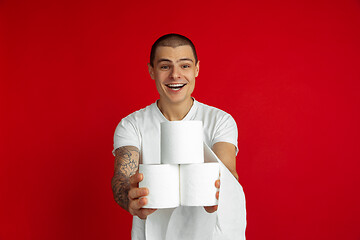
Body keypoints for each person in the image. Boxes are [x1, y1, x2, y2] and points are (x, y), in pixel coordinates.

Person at [111, 33, 243, 239]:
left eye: (185, 66)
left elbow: (227, 171)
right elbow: (122, 176)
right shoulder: (132, 124)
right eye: (165, 66)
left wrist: (219, 193)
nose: (175, 75)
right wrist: (130, 199)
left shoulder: (220, 120)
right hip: (153, 234)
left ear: (197, 68)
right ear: (151, 71)